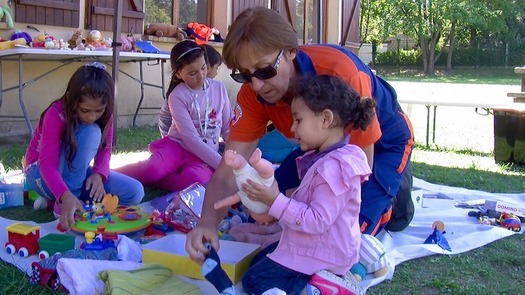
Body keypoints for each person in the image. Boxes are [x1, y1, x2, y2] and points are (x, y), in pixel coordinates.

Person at [186, 6, 414, 263]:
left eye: (264, 70)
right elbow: (229, 170)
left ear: (292, 52)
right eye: (245, 75)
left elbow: (357, 169)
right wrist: (206, 224)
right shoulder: (252, 94)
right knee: (261, 213)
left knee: (339, 242)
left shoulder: (342, 72)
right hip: (322, 149)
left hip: (379, 147)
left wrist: (297, 200)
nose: (257, 85)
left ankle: (394, 199)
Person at [240, 74, 374, 294]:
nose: (292, 128)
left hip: (324, 253)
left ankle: (319, 288)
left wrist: (276, 201)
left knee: (254, 280)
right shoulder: (328, 157)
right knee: (259, 260)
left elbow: (317, 220)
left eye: (298, 120)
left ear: (325, 119)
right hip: (320, 247)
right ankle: (335, 276)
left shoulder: (334, 167)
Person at [24, 62, 145, 231]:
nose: (92, 117)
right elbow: (47, 164)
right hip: (40, 173)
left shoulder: (105, 114)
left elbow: (105, 149)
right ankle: (66, 200)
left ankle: (57, 200)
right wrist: (66, 196)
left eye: (99, 111)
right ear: (70, 99)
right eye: (85, 110)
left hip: (74, 174)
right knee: (91, 132)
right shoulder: (55, 113)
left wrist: (98, 175)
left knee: (134, 191)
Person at [115, 40, 232, 192]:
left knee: (198, 181)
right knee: (153, 169)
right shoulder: (177, 95)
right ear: (178, 74)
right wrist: (221, 165)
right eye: (192, 73)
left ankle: (162, 179)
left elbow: (228, 128)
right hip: (176, 147)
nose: (200, 76)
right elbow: (191, 139)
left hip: (203, 155)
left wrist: (236, 160)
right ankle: (108, 174)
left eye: (203, 68)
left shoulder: (219, 89)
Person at [158, 44, 223, 138]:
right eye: (216, 68)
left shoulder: (217, 89)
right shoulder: (179, 95)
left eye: (203, 68)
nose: (200, 76)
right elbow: (190, 137)